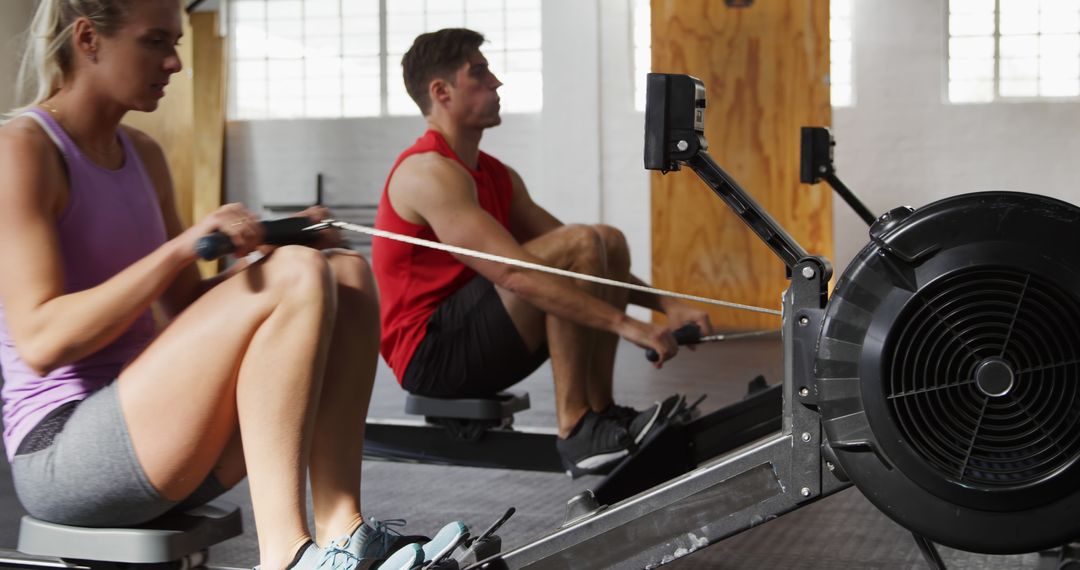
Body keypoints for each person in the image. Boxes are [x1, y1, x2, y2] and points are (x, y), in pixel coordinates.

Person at [0, 2, 446, 568]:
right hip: (62, 453)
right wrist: (184, 249)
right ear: (89, 39)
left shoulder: (144, 155)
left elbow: (183, 306)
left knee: (343, 272)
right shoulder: (25, 148)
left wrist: (273, 253)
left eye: (176, 44)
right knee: (297, 274)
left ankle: (342, 531)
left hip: (156, 427)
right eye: (156, 42)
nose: (176, 63)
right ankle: (285, 556)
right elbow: (41, 341)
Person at [372, 28, 714, 478]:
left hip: (479, 334)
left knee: (605, 240)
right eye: (479, 73)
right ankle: (576, 428)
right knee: (580, 243)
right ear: (441, 92)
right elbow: (516, 275)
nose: (496, 83)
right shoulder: (427, 173)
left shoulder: (496, 175)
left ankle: (598, 412)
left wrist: (666, 304)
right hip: (433, 357)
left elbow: (590, 258)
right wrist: (630, 326)